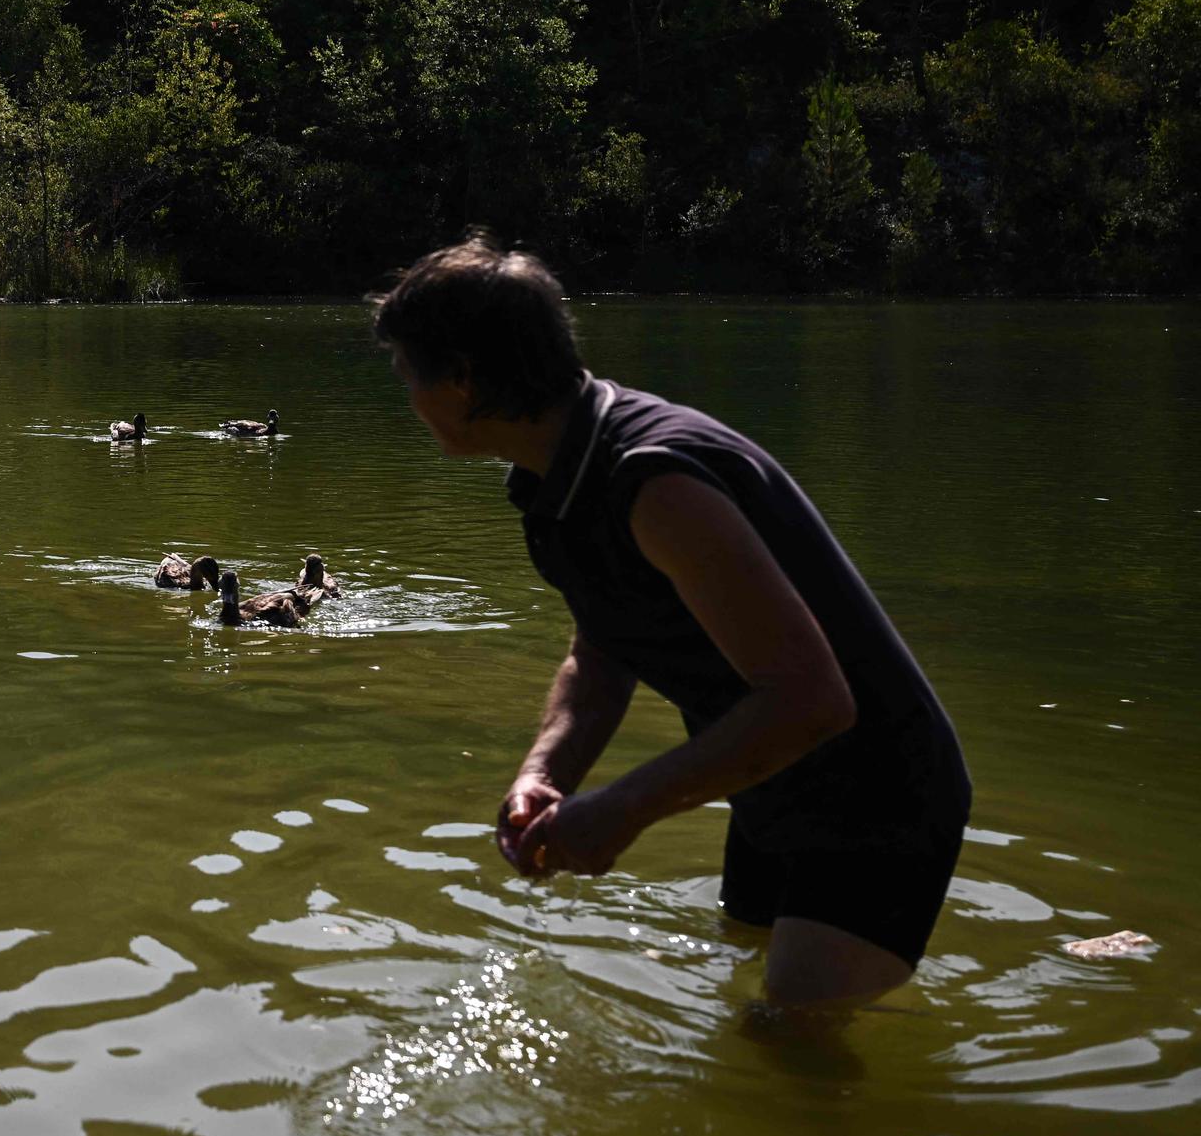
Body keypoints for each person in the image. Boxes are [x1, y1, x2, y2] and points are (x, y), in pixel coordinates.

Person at [370, 234, 970, 1011]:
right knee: (740, 992)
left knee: (786, 1047)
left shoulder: (652, 480)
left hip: (873, 792)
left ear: (463, 379)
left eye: (405, 370)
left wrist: (620, 812)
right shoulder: (557, 478)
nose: (403, 391)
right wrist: (545, 774)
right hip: (768, 779)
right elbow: (602, 651)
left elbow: (812, 700)